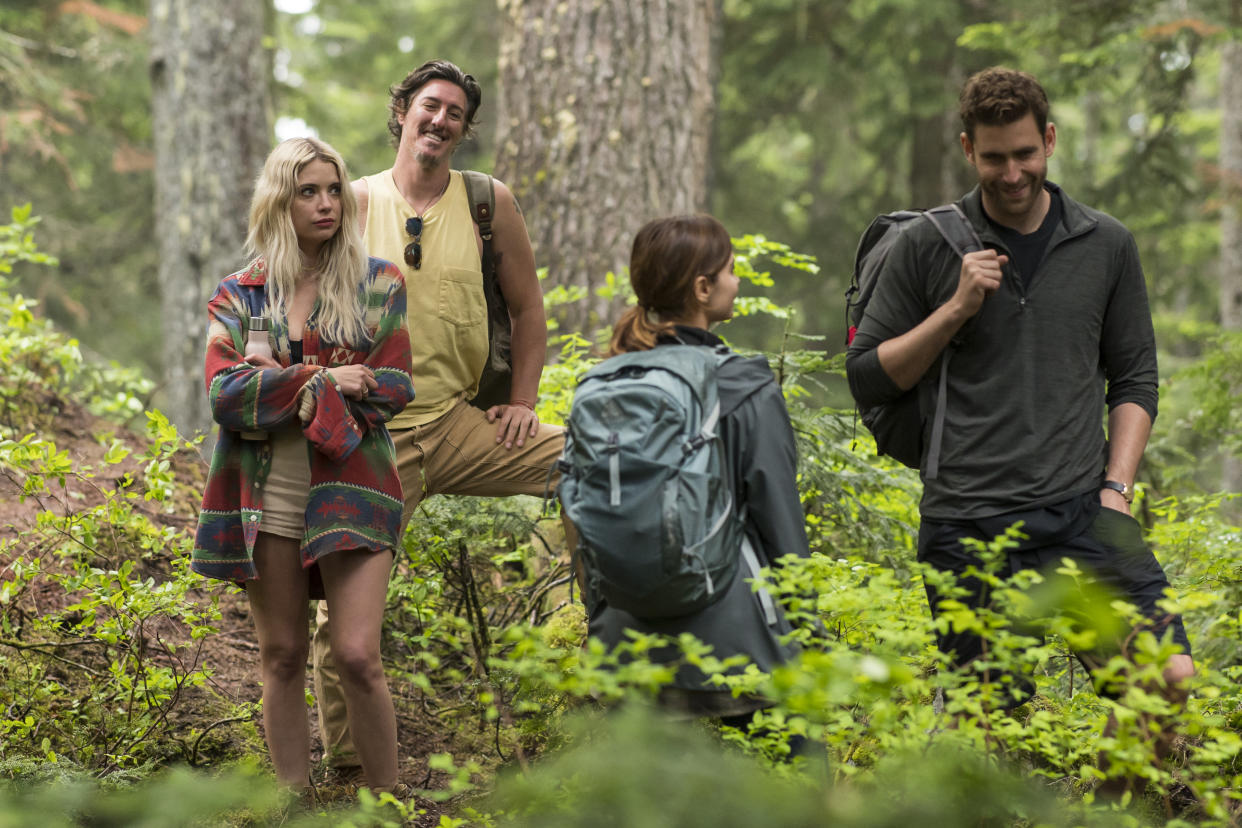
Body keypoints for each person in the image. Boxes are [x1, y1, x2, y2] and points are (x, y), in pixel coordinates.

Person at [845, 67, 1194, 710]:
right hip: (967, 521)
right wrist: (954, 309)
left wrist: (1117, 490)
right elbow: (865, 374)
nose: (1012, 174)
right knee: (990, 720)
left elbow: (1136, 378)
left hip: (1082, 511)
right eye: (996, 157)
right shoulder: (927, 243)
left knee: (1165, 682)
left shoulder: (1106, 242)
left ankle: (1106, 809)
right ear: (968, 150)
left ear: (1051, 141)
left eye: (1025, 153)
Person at [312, 59, 566, 774]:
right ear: (401, 111)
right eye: (430, 105)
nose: (440, 120)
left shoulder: (488, 203)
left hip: (458, 423)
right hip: (370, 437)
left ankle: (597, 634)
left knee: (590, 460)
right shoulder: (352, 203)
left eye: (455, 112)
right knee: (342, 622)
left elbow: (528, 308)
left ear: (464, 128)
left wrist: (520, 402)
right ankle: (352, 772)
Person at [192, 137, 415, 794]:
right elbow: (224, 395)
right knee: (283, 656)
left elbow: (396, 386)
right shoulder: (241, 295)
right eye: (307, 191)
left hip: (353, 485)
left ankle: (387, 802)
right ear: (280, 201)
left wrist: (280, 382)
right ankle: (295, 801)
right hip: (265, 494)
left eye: (333, 189)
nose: (325, 203)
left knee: (356, 655)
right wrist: (323, 379)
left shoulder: (378, 284)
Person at [587, 214, 811, 735]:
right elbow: (782, 529)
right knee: (800, 773)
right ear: (703, 288)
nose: (739, 281)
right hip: (734, 645)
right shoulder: (745, 387)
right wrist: (810, 638)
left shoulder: (601, 386)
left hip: (624, 646)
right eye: (731, 271)